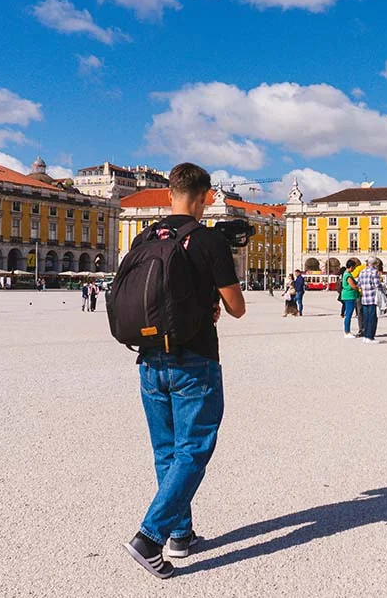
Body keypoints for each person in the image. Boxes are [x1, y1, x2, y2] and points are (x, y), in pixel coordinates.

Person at [123, 163, 246, 580]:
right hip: (194, 361)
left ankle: (181, 534)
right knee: (194, 450)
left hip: (149, 359)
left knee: (167, 452)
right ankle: (150, 536)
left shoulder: (143, 237)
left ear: (167, 193)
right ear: (207, 195)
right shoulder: (207, 240)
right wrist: (215, 300)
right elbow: (237, 307)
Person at [356, 259, 382, 343]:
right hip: (372, 298)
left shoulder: (362, 272)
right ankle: (370, 337)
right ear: (374, 264)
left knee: (366, 318)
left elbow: (359, 284)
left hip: (364, 298)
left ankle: (365, 336)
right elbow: (377, 285)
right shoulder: (374, 272)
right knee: (372, 318)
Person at [338, 259, 360, 336]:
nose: (354, 269)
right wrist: (359, 288)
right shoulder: (348, 275)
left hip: (347, 295)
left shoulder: (345, 273)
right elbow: (352, 286)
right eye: (354, 267)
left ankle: (347, 331)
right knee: (349, 314)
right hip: (349, 296)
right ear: (351, 267)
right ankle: (347, 332)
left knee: (348, 314)